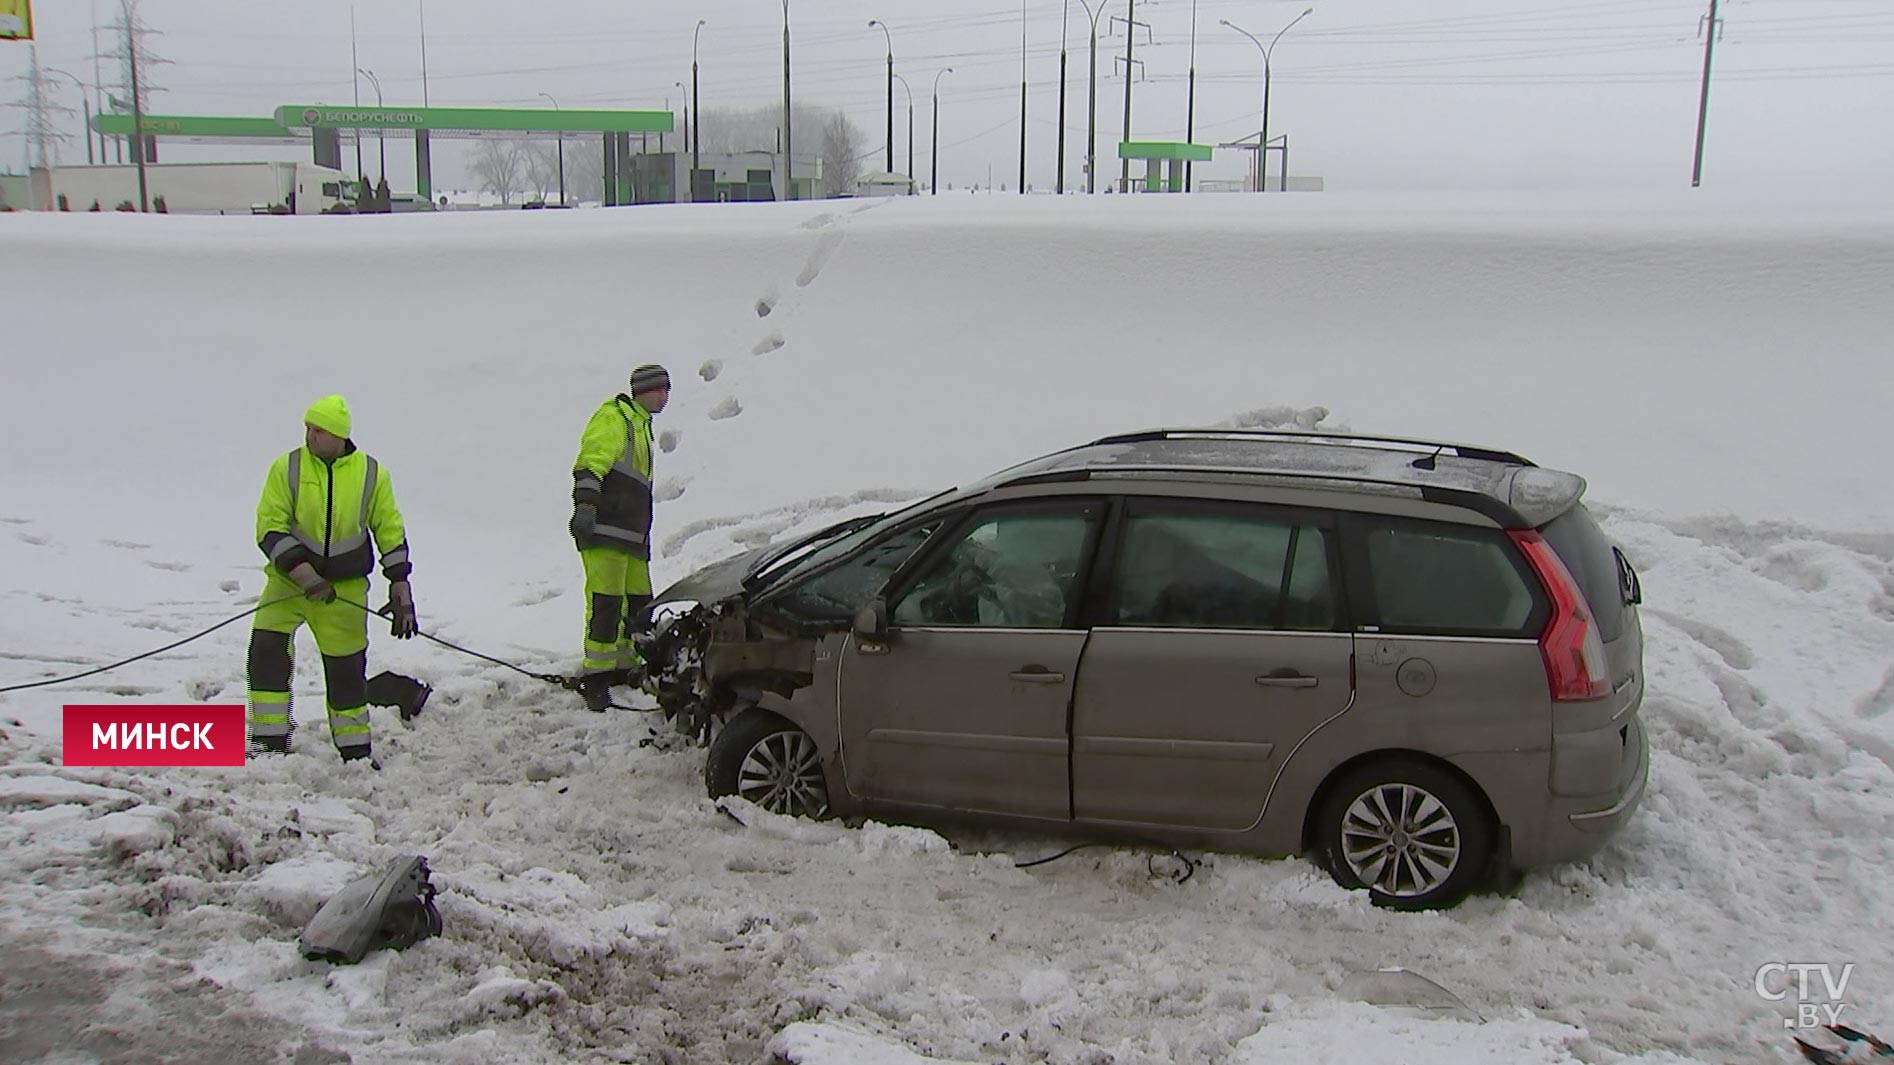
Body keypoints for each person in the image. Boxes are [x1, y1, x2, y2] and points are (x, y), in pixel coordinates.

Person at [247, 395, 418, 761]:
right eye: (308, 428)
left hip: (344, 593)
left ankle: (354, 753)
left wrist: (400, 585)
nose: (310, 436)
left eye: (318, 430)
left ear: (339, 435)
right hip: (287, 585)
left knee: (346, 674)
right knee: (266, 655)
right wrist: (303, 574)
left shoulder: (371, 474)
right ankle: (267, 744)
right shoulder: (287, 468)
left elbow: (390, 529)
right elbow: (269, 528)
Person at [570, 365, 670, 711]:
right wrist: (585, 505)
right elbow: (590, 462)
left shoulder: (642, 426)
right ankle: (595, 677)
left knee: (639, 603)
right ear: (644, 390)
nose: (665, 397)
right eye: (660, 390)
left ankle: (626, 666)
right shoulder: (617, 418)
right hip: (606, 532)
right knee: (606, 604)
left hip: (631, 537)